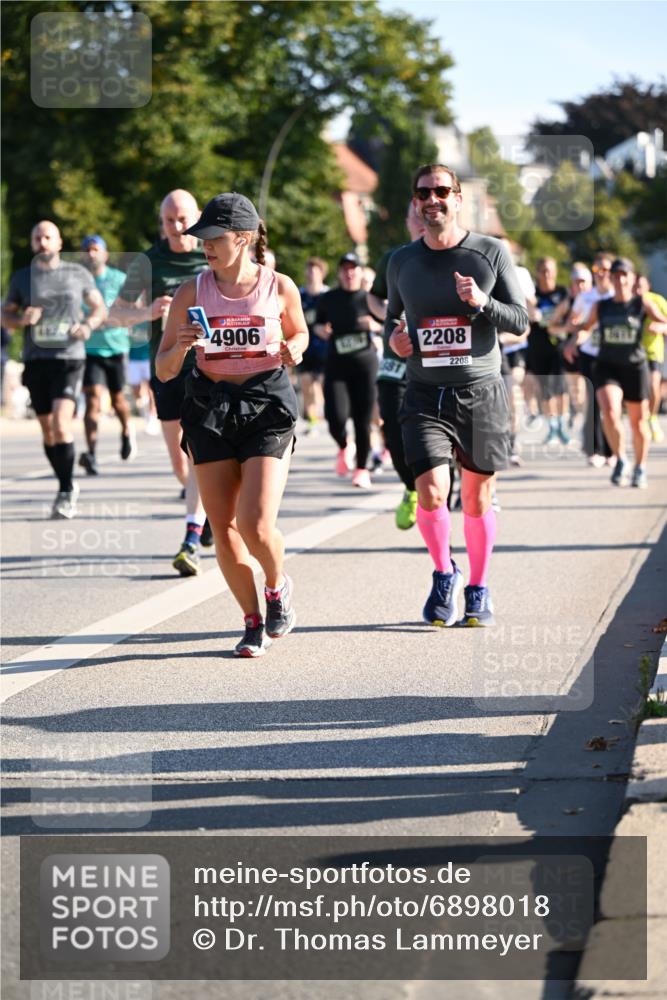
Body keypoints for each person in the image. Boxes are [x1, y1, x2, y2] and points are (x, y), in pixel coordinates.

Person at [156, 192, 308, 657]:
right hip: (210, 407)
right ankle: (251, 620)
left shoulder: (279, 286)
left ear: (243, 239)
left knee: (255, 524)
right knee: (223, 526)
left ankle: (277, 586)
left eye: (214, 237)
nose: (205, 245)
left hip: (266, 404)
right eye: (202, 237)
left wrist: (296, 348)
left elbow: (299, 331)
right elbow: (164, 369)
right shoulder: (191, 292)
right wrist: (181, 345)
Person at [386, 163, 528, 627]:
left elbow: (520, 321)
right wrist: (395, 342)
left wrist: (482, 303)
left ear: (458, 198)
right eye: (424, 192)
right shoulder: (401, 261)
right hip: (424, 394)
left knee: (476, 499)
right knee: (430, 493)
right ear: (415, 202)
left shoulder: (490, 252)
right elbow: (393, 321)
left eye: (442, 191)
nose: (433, 200)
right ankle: (444, 572)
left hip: (480, 392)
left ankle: (479, 586)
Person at [109, 189, 211, 575]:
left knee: (199, 452)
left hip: (207, 370)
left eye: (183, 219)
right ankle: (205, 510)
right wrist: (148, 311)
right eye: (169, 220)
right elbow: (115, 314)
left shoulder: (212, 255)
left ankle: (192, 533)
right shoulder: (149, 262)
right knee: (179, 460)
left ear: (197, 217)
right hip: (167, 369)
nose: (177, 226)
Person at [1, 220, 106, 518]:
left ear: (59, 243)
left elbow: (99, 308)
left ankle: (66, 489)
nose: (43, 242)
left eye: (48, 237)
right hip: (36, 361)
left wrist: (87, 325)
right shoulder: (22, 278)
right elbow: (5, 316)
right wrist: (21, 319)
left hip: (69, 358)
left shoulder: (77, 273)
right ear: (32, 243)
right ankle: (65, 482)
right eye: (38, 238)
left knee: (61, 424)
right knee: (48, 431)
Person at [569, 257, 667, 488]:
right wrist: (576, 339)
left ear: (632, 279)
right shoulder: (601, 306)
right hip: (607, 365)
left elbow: (665, 322)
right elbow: (586, 327)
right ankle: (621, 458)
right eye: (616, 276)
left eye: (624, 275)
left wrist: (660, 326)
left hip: (635, 366)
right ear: (611, 279)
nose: (620, 280)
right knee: (610, 412)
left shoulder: (641, 303)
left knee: (638, 422)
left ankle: (640, 467)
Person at [368, 202, 426, 528]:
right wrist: (389, 318)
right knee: (392, 431)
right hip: (395, 361)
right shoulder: (393, 258)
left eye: (425, 213)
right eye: (415, 215)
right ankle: (411, 488)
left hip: (435, 364)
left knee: (435, 437)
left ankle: (439, 497)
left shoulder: (452, 259)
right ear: (407, 221)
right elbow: (374, 296)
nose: (421, 220)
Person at [314, 252, 383, 489]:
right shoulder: (329, 298)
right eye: (344, 268)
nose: (349, 272)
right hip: (337, 365)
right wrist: (320, 330)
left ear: (361, 272)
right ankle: (344, 445)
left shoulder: (369, 299)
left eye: (353, 268)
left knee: (363, 420)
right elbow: (316, 323)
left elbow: (389, 322)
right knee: (335, 417)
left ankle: (362, 469)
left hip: (365, 366)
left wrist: (375, 325)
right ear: (339, 273)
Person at [77, 235, 135, 474]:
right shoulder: (78, 281)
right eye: (87, 250)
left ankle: (126, 431)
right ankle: (91, 453)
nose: (91, 254)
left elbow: (132, 309)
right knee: (92, 399)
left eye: (95, 249)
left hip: (116, 348)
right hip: (89, 349)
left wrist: (115, 317)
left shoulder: (119, 279)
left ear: (105, 254)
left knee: (118, 399)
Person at [564, 252, 614, 466]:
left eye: (606, 269)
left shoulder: (617, 296)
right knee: (593, 402)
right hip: (589, 354)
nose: (601, 273)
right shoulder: (585, 297)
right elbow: (571, 323)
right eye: (597, 269)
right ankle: (595, 450)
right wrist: (575, 331)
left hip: (613, 355)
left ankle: (612, 450)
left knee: (611, 405)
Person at [526, 257, 570, 444]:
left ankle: (562, 424)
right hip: (537, 346)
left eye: (549, 270)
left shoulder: (563, 292)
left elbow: (569, 315)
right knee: (545, 389)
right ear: (537, 273)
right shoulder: (532, 294)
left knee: (560, 388)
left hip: (558, 346)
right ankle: (552, 427)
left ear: (555, 272)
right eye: (543, 271)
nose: (546, 275)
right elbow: (526, 316)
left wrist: (553, 320)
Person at [297, 257, 329, 433]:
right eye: (309, 270)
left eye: (315, 271)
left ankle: (323, 413)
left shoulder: (328, 295)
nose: (311, 274)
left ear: (322, 273)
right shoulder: (299, 294)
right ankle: (312, 421)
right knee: (306, 384)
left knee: (321, 386)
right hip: (305, 346)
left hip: (325, 348)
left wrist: (327, 328)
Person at [635, 274, 667, 443]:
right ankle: (642, 419)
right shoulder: (628, 301)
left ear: (648, 286)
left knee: (654, 385)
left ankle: (652, 418)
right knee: (639, 389)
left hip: (653, 351)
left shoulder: (657, 301)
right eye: (635, 286)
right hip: (632, 353)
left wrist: (661, 327)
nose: (638, 290)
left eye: (641, 286)